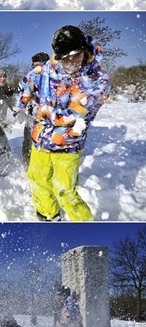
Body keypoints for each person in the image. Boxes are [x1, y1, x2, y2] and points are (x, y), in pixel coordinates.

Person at [15, 25, 110, 222]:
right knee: (37, 179)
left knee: (64, 190)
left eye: (75, 55)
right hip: (40, 139)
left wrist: (37, 110)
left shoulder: (97, 80)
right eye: (64, 58)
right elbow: (29, 81)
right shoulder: (48, 68)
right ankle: (48, 215)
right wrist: (20, 103)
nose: (70, 62)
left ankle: (84, 224)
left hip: (69, 143)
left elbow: (74, 115)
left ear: (84, 50)